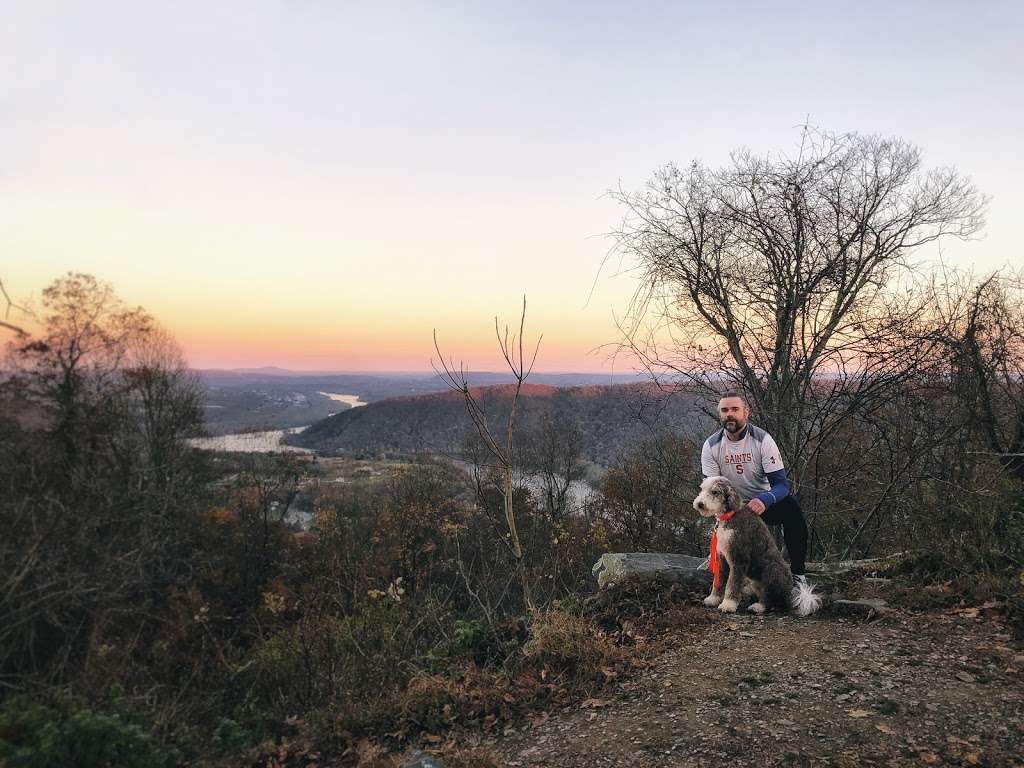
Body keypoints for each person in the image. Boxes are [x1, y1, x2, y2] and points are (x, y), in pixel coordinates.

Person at [700, 391, 810, 585]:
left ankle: (798, 575)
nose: (729, 414)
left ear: (746, 412)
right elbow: (712, 492)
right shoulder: (711, 446)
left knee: (793, 512)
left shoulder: (763, 440)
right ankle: (718, 559)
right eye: (724, 410)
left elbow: (782, 485)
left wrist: (765, 500)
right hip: (732, 506)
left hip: (762, 502)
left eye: (735, 409)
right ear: (720, 415)